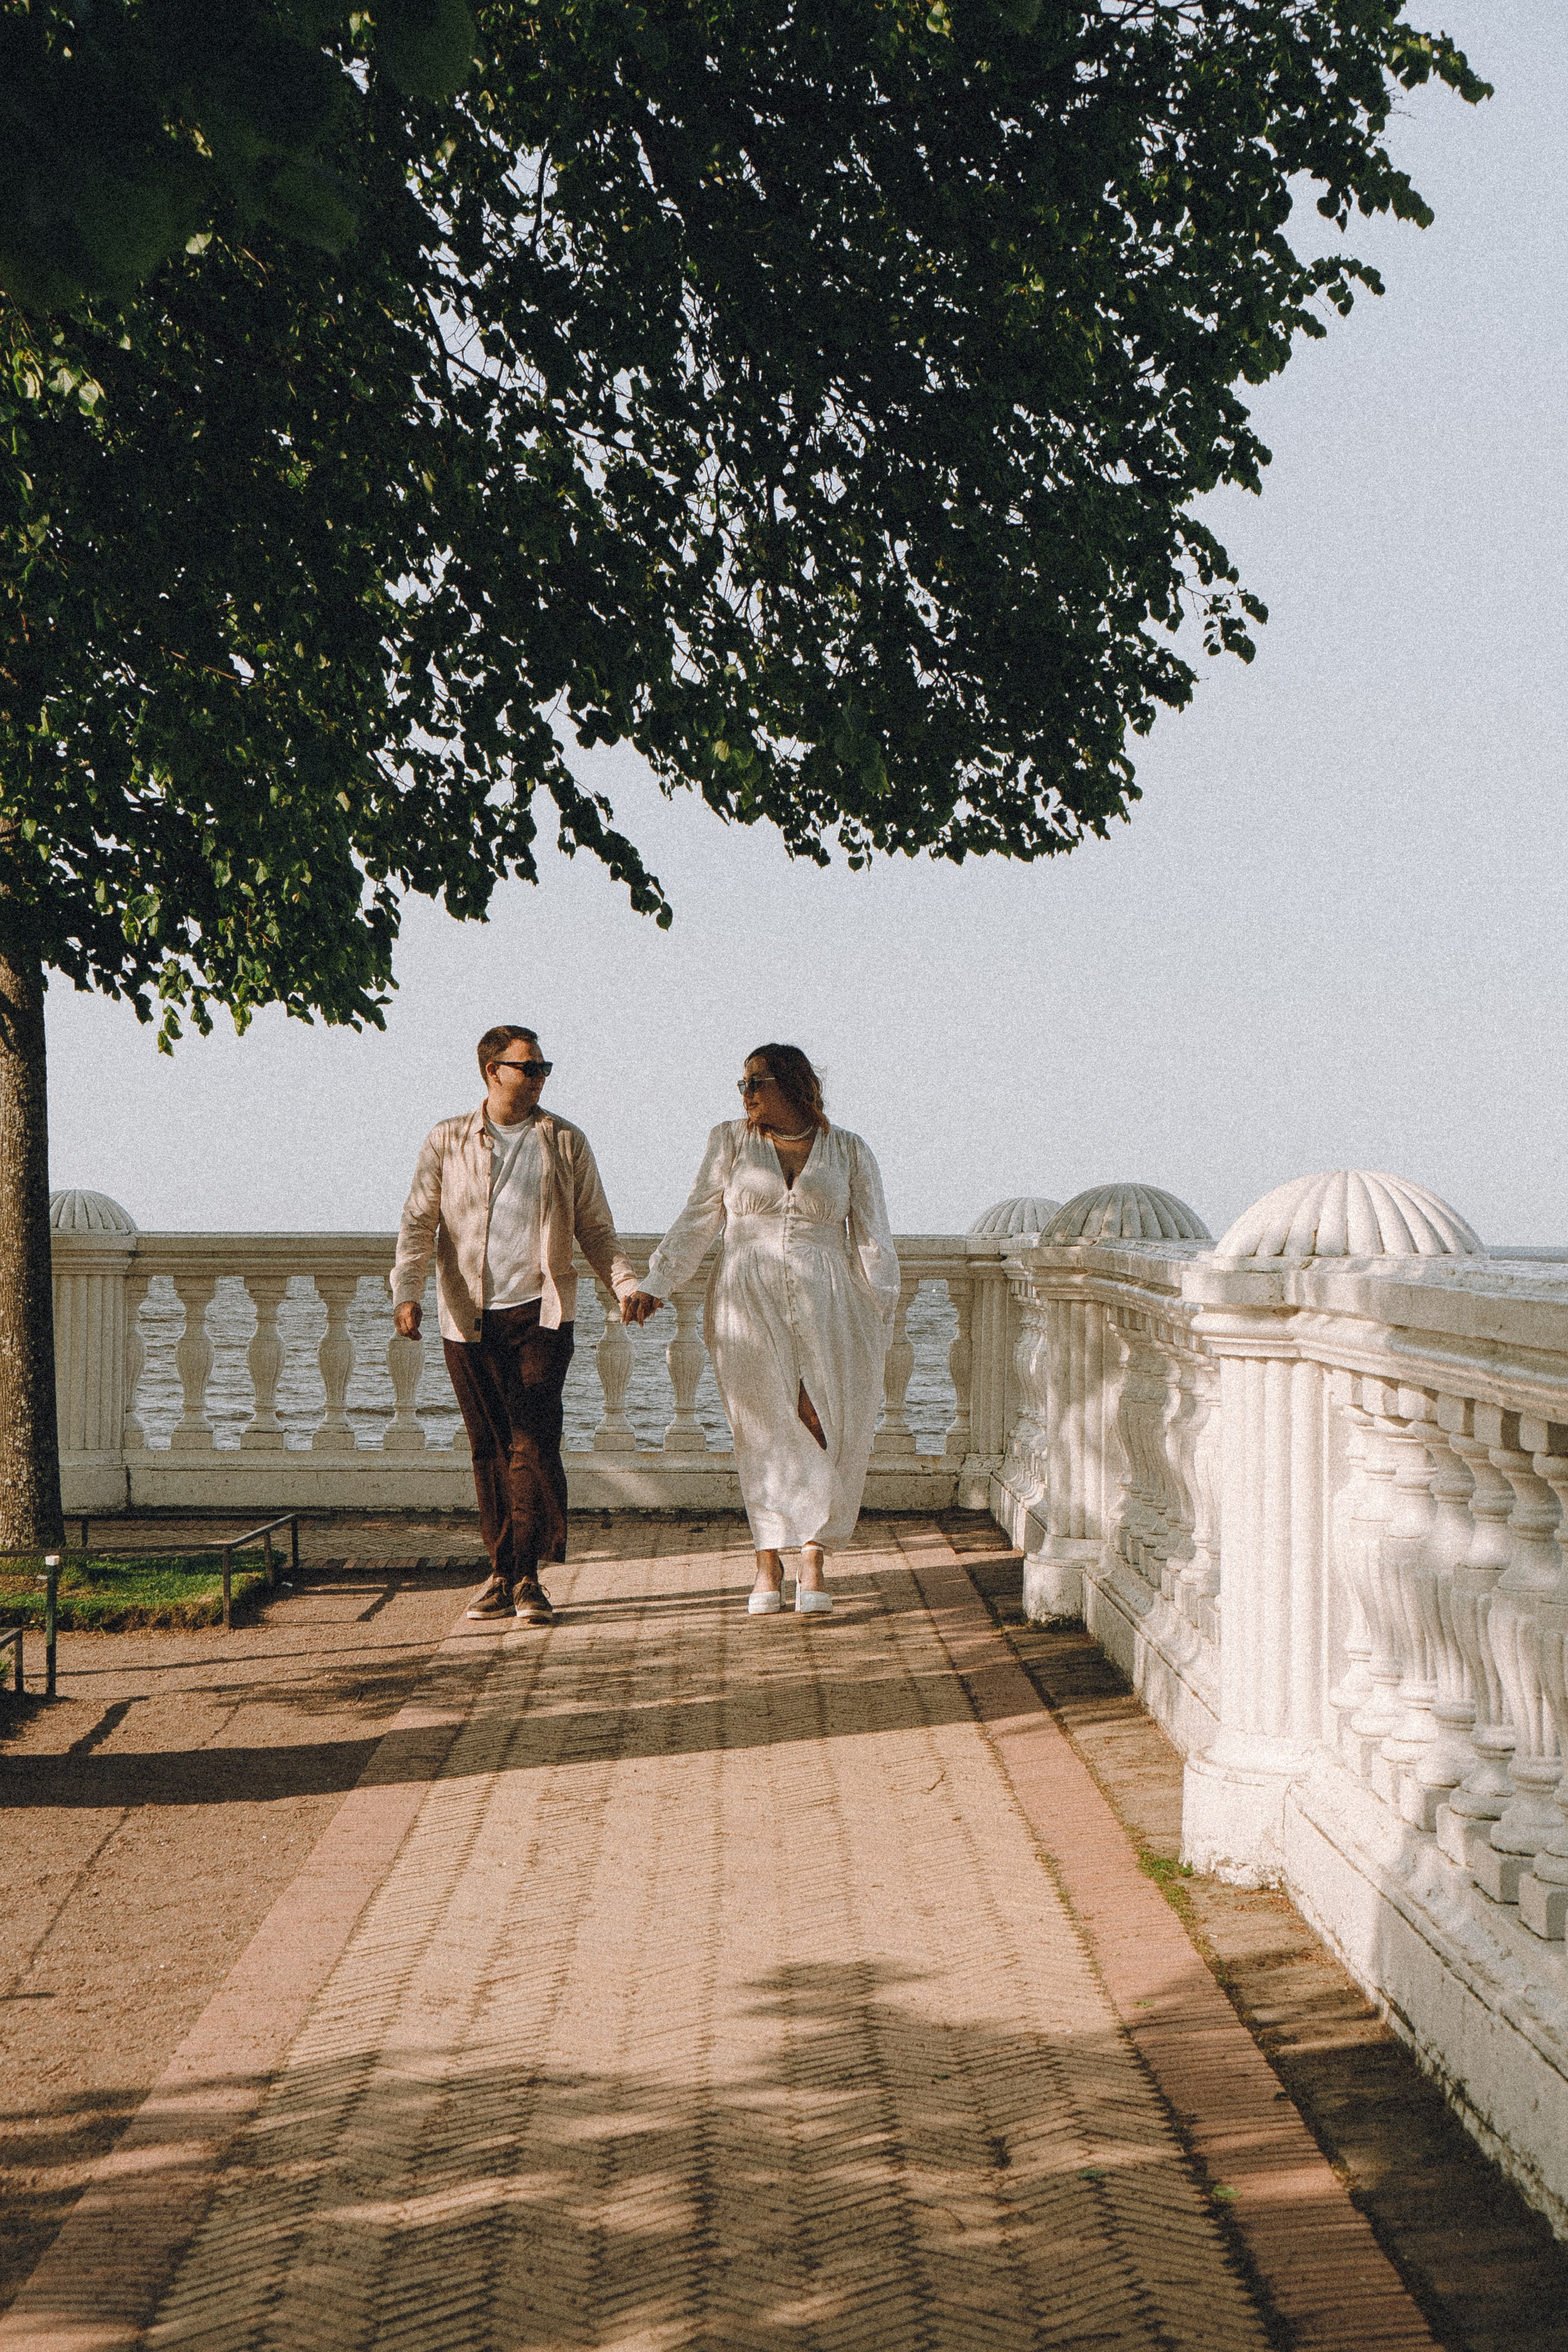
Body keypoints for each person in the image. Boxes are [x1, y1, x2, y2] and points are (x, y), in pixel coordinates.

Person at [625, 1045, 899, 1614]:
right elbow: (699, 1215)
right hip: (744, 1299)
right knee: (762, 1428)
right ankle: (767, 1562)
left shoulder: (849, 1149)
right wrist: (658, 1281)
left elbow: (873, 1237)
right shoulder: (729, 1141)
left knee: (822, 1418)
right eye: (742, 1083)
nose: (746, 1093)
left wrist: (881, 1310)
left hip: (830, 1300)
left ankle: (814, 1554)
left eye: (757, 1082)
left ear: (793, 1084)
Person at [390, 1025, 640, 1625]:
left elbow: (595, 1227)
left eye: (543, 1067)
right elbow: (418, 1223)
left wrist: (626, 1284)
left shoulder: (563, 1141)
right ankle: (505, 1571)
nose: (538, 1077)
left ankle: (520, 1576)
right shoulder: (447, 1140)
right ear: (490, 1071)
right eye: (526, 1067)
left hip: (542, 1312)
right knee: (488, 1449)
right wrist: (406, 1291)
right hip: (467, 1314)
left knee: (530, 1442)